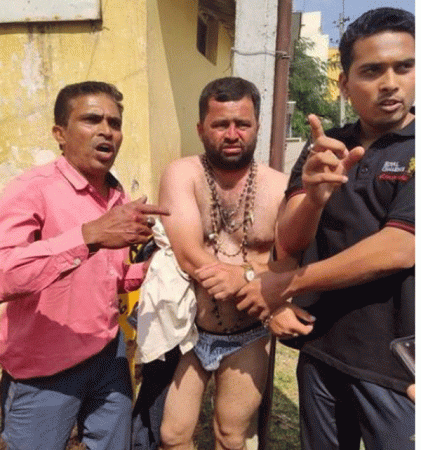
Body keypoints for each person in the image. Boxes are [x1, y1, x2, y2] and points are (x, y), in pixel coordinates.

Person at [228, 8, 415, 450]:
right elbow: (290, 239)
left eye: (404, 67)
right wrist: (313, 197)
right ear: (344, 84)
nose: (390, 83)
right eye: (372, 71)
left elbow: (401, 247)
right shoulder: (327, 146)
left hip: (398, 365)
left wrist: (286, 285)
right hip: (322, 350)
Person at [0, 81, 168, 450]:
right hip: (44, 368)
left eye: (114, 123)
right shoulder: (32, 189)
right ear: (60, 133)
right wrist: (88, 236)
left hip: (108, 353)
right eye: (92, 119)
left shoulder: (117, 196)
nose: (107, 130)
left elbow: (109, 279)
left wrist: (157, 269)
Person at [156, 77, 314, 450]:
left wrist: (244, 279)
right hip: (191, 330)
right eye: (220, 124)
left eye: (242, 124)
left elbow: (287, 265)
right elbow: (189, 254)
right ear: (201, 129)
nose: (231, 134)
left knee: (231, 435)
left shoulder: (279, 188)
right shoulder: (182, 174)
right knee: (173, 434)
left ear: (257, 126)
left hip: (249, 332)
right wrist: (250, 280)